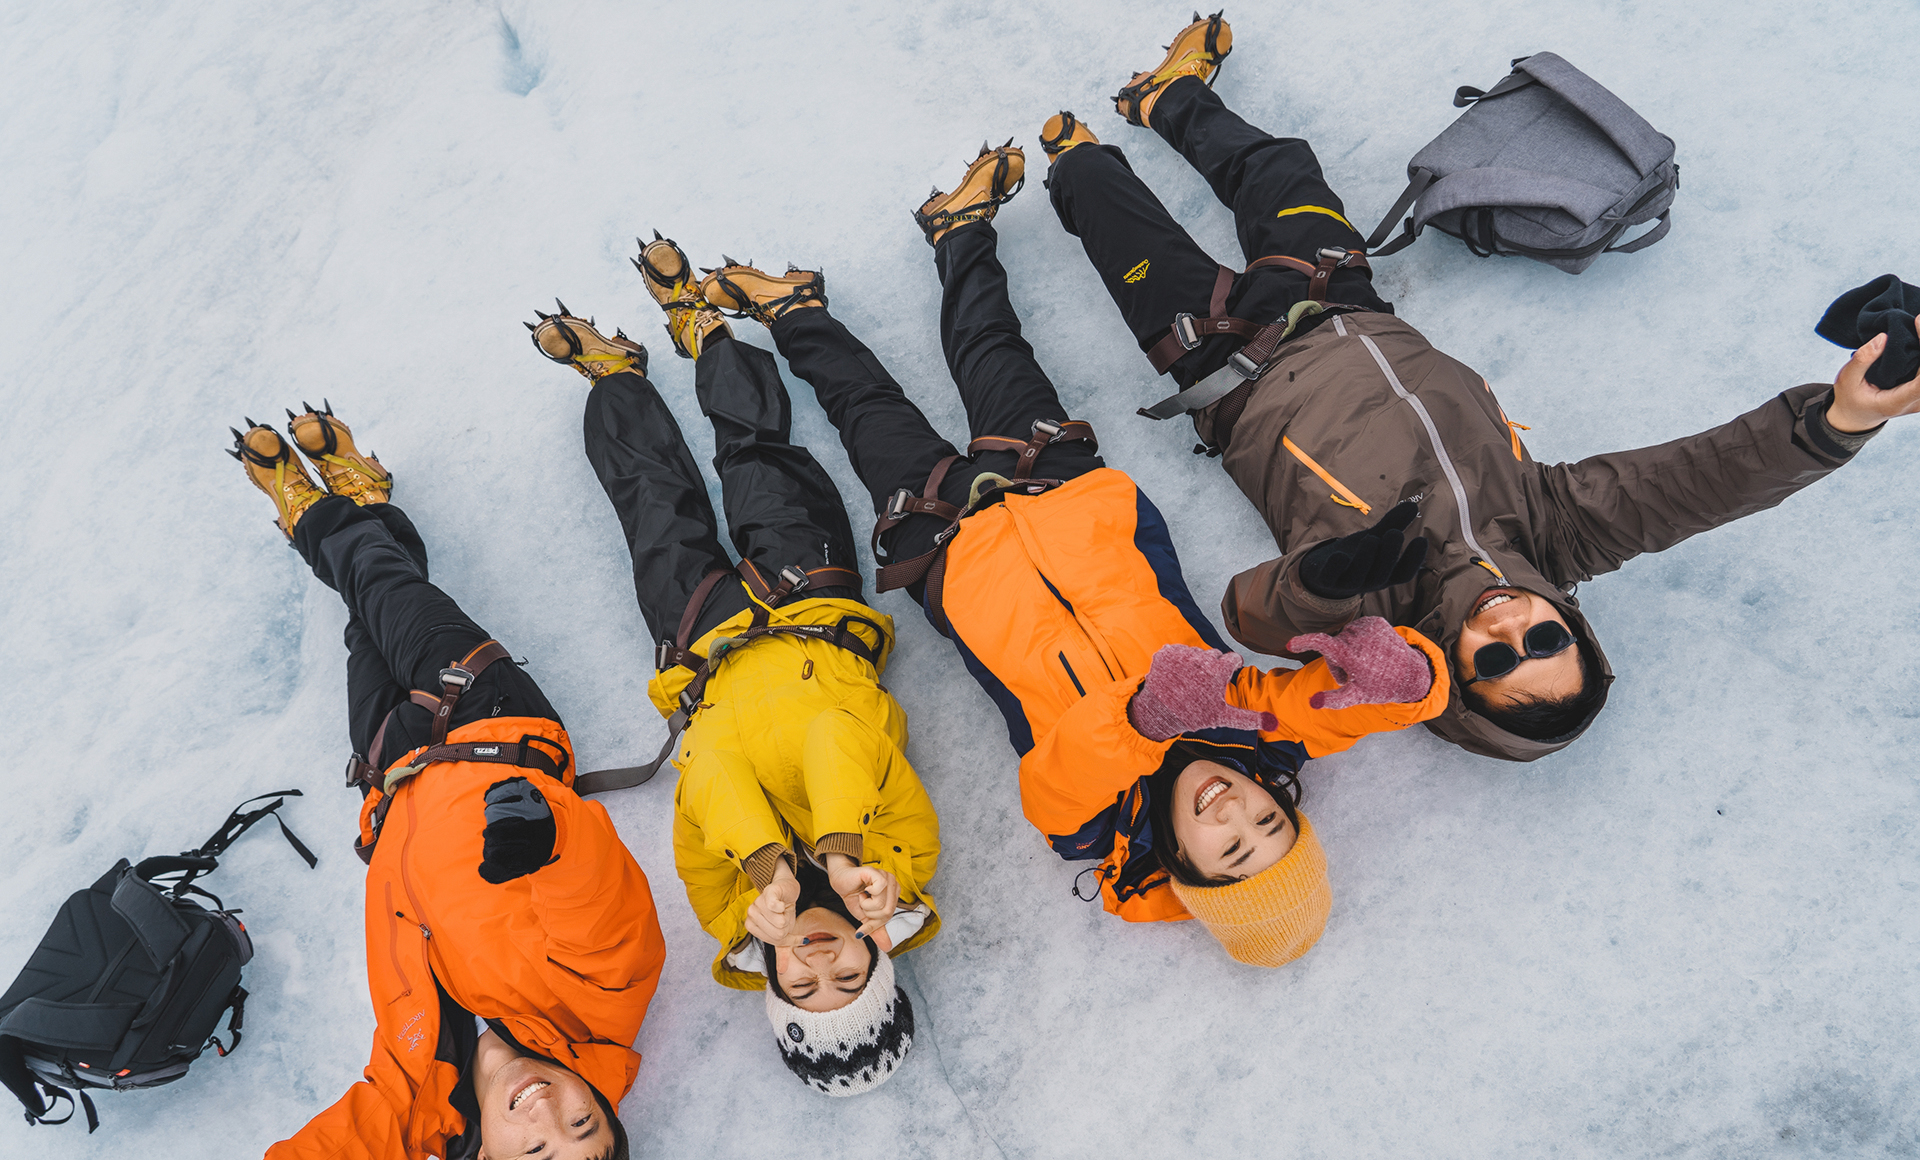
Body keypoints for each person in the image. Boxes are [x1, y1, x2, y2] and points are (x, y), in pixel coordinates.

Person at [1039, 11, 1920, 762]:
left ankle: (1074, 157)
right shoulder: (1557, 531)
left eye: (1496, 664)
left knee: (1104, 201)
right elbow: (1696, 484)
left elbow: (1251, 614)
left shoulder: (1376, 609)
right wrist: (1839, 420)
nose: (1511, 631)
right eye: (1546, 641)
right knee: (1278, 169)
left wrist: (1322, 582)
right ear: (1570, 622)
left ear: (1459, 676)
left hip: (1225, 360)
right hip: (1344, 297)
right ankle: (1166, 97)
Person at [674, 143, 1452, 969]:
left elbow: (1066, 763)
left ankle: (796, 313)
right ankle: (959, 232)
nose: (1236, 814)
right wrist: (1414, 683)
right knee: (992, 352)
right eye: (1269, 823)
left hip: (949, 555)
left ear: (1184, 868)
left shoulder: (1088, 826)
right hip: (1071, 501)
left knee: (868, 414)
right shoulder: (1258, 730)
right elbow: (1322, 710)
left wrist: (1147, 716)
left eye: (1228, 851)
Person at [176, 409, 666, 1160]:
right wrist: (546, 842)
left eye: (536, 1152)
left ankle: (365, 507)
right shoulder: (602, 1009)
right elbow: (605, 916)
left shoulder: (412, 1099)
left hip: (391, 775)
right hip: (489, 721)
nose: (550, 1116)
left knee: (365, 622)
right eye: (584, 1124)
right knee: (371, 578)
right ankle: (316, 515)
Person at [524, 238, 939, 1097]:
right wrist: (841, 850)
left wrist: (763, 867)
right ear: (878, 955)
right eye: (849, 983)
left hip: (703, 653)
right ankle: (706, 329)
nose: (819, 968)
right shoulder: (903, 862)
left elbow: (705, 770)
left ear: (774, 985)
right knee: (758, 457)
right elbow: (837, 734)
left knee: (654, 508)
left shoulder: (726, 909)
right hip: (812, 615)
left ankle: (614, 378)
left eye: (802, 990)